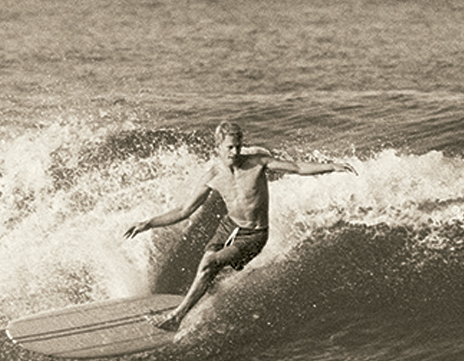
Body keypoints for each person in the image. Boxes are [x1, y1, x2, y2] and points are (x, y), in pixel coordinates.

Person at [124, 121, 356, 331]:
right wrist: (148, 223)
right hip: (229, 226)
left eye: (238, 146)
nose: (236, 152)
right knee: (208, 266)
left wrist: (331, 166)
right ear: (218, 147)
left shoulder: (257, 163)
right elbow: (185, 211)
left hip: (254, 235)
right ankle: (203, 300)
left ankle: (177, 317)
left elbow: (296, 167)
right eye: (230, 148)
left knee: (209, 263)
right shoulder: (213, 175)